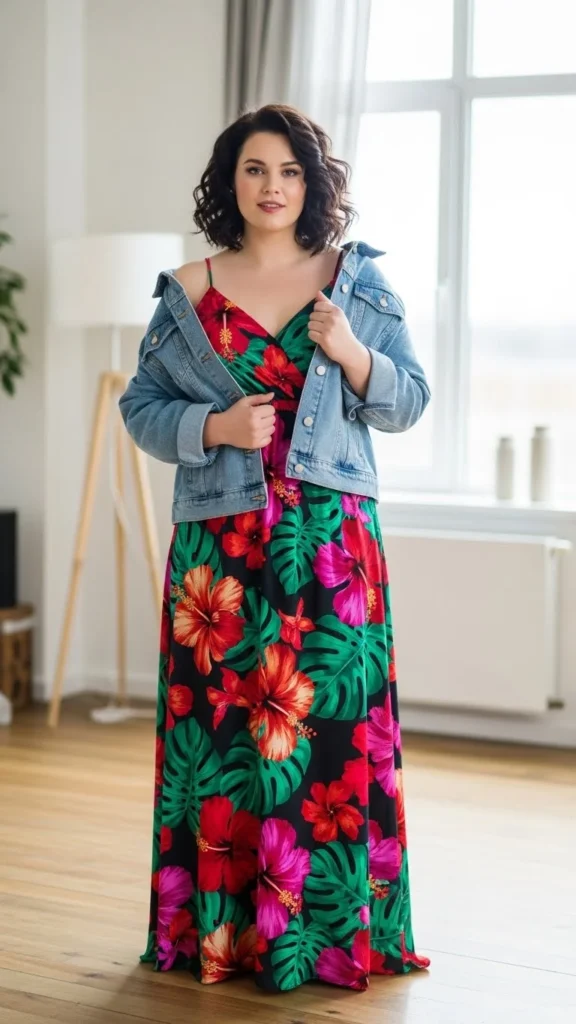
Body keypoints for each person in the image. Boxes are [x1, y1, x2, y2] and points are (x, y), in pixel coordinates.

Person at [119, 103, 431, 993]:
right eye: (255, 170)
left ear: (313, 184)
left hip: (332, 551)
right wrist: (215, 423)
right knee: (221, 741)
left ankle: (326, 942)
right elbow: (140, 408)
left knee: (327, 740)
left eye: (290, 172)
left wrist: (354, 355)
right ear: (231, 182)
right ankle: (226, 940)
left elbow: (407, 401)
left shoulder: (357, 284)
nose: (272, 187)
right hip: (220, 554)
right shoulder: (187, 291)